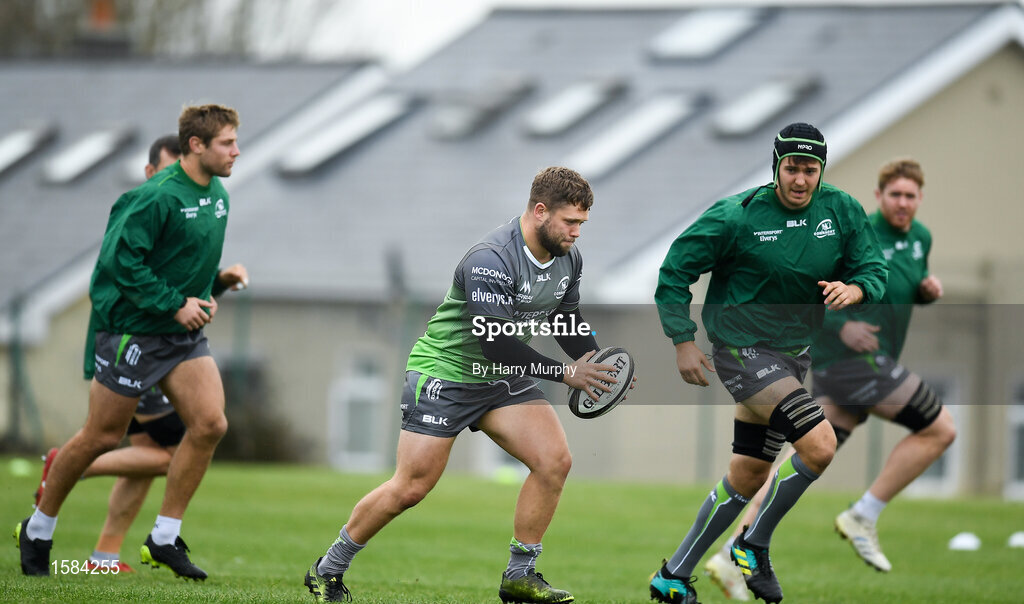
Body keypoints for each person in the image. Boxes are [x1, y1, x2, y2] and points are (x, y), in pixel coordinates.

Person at [304, 166, 630, 603]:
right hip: (446, 374)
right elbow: (495, 342)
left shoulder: (568, 258)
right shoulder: (490, 259)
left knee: (554, 461)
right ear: (539, 212)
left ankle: (520, 576)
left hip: (502, 380)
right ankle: (328, 569)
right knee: (411, 487)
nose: (576, 232)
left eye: (582, 224)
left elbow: (565, 319)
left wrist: (598, 364)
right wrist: (566, 373)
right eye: (570, 222)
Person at [649, 123, 888, 604]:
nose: (800, 179)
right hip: (741, 352)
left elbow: (874, 270)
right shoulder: (735, 216)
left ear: (822, 170)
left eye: (810, 169)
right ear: (776, 166)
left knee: (748, 476)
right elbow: (675, 270)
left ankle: (673, 576)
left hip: (792, 358)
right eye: (792, 168)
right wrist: (682, 340)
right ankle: (752, 543)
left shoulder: (840, 210)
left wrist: (856, 289)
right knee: (820, 446)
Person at [703, 158, 955, 599]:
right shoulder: (856, 229)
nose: (902, 202)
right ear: (878, 197)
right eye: (894, 194)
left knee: (804, 456)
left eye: (910, 195)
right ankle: (864, 514)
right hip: (852, 362)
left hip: (869, 365)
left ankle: (729, 556)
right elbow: (810, 290)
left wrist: (924, 292)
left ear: (920, 199)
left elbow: (892, 288)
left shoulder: (920, 239)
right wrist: (843, 327)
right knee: (940, 428)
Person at [15, 105, 243, 580]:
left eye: (235, 141)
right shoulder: (151, 198)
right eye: (226, 143)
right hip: (131, 335)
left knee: (210, 424)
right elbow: (120, 266)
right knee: (100, 436)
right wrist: (172, 304)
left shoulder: (219, 194)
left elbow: (187, 263)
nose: (236, 151)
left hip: (180, 338)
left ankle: (163, 537)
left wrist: (203, 297)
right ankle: (39, 528)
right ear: (196, 145)